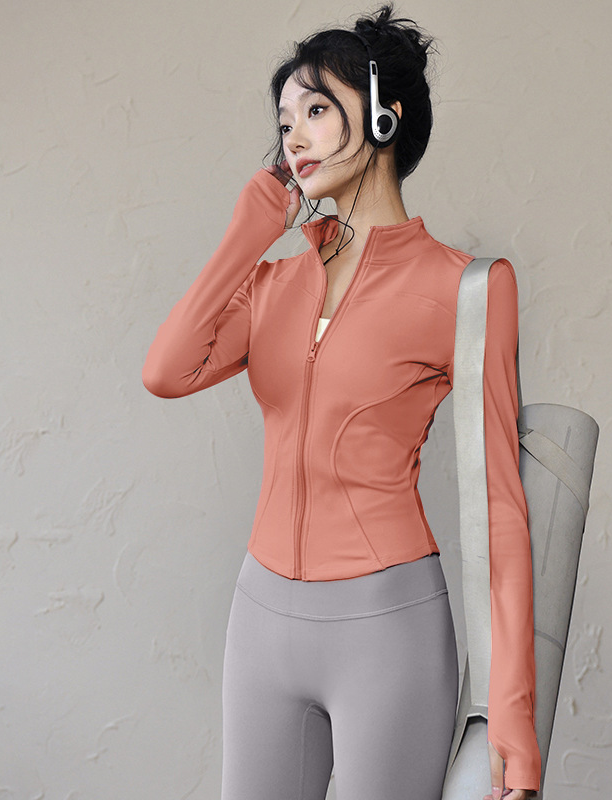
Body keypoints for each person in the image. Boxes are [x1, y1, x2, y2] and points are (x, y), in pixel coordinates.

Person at [142, 4, 541, 798]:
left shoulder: (467, 288)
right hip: (261, 622)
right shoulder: (271, 284)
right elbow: (166, 371)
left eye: (317, 110)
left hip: (386, 630)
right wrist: (248, 233)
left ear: (385, 117)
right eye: (284, 121)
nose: (293, 136)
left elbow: (501, 508)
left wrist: (512, 717)